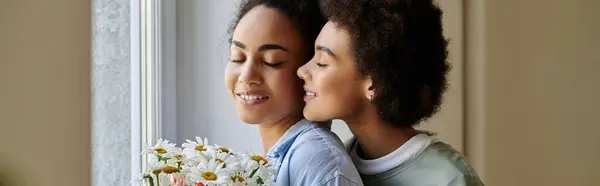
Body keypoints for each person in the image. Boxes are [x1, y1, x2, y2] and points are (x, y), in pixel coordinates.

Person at [297, 0, 484, 185]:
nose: (302, 71)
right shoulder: (330, 170)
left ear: (375, 83)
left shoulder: (450, 179)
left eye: (321, 62)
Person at [224, 0, 363, 185]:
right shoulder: (284, 157)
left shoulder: (316, 160)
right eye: (238, 57)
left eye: (271, 61)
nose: (246, 76)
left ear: (308, 70)